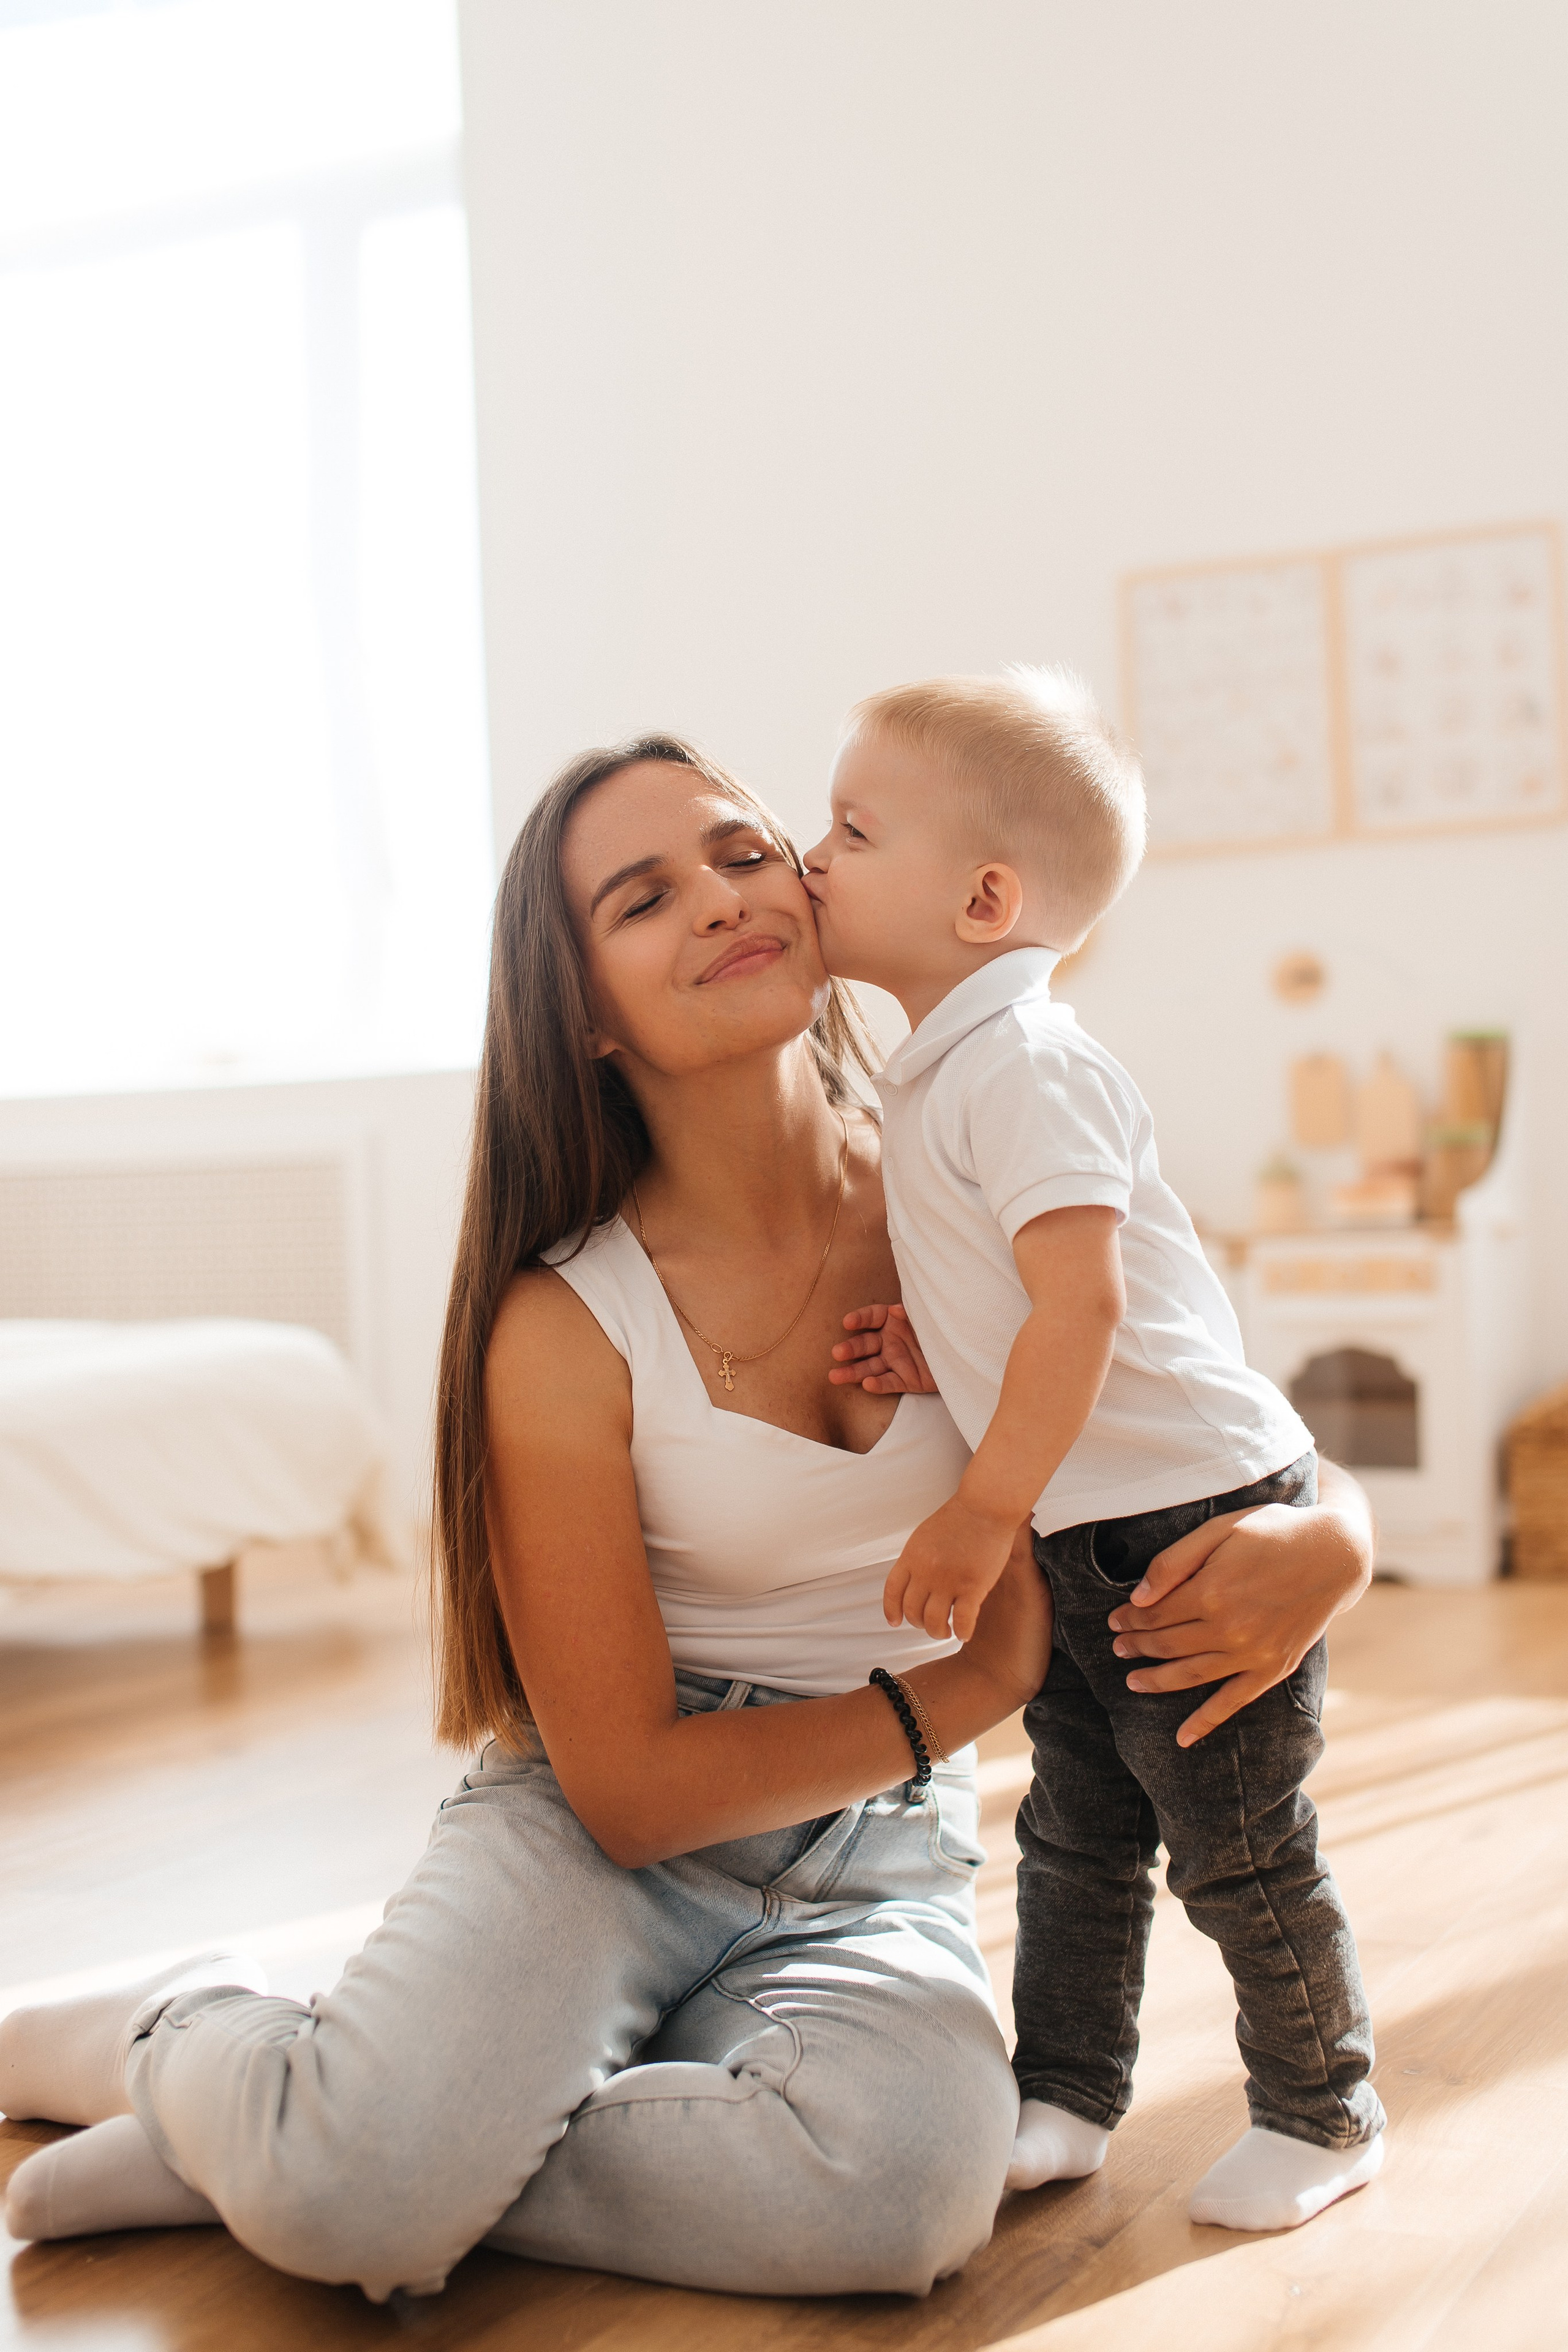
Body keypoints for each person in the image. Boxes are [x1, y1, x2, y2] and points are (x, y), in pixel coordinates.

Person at [3, 736, 1375, 2299]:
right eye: (644, 897)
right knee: (360, 2200)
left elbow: (1208, 1421)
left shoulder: (998, 1158)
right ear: (582, 1013)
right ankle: (213, 2045)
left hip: (879, 1853)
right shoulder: (563, 1319)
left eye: (743, 852)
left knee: (901, 2204)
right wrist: (974, 1690)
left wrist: (1333, 1538)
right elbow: (634, 1794)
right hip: (606, 1840)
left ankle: (329, 2125)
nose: (722, 901)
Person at [805, 670, 1387, 2234]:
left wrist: (983, 1503)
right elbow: (1030, 1297)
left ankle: (1321, 2111)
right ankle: (1062, 2090)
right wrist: (945, 1344)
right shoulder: (942, 1064)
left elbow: (1086, 1298)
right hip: (1090, 1514)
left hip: (1186, 1516)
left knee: (1236, 1847)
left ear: (983, 897)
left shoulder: (1026, 1063)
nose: (811, 859)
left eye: (850, 832)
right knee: (1072, 1828)